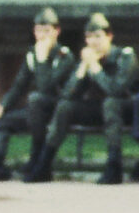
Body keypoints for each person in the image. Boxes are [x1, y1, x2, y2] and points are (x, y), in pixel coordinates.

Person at [24, 13, 138, 184]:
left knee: (111, 103)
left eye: (98, 36)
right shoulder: (88, 58)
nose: (94, 42)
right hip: (100, 109)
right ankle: (44, 164)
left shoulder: (125, 56)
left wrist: (95, 67)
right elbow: (67, 95)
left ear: (110, 36)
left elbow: (116, 90)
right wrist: (83, 69)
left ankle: (114, 167)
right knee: (65, 107)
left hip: (129, 109)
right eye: (89, 37)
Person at [0, 8, 75, 182]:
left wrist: (43, 58)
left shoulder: (65, 56)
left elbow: (46, 87)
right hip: (36, 112)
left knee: (35, 99)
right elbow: (18, 86)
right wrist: (2, 106)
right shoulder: (33, 54)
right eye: (38, 30)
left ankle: (36, 160)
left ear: (57, 31)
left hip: (57, 111)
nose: (42, 35)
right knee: (1, 120)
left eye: (47, 31)